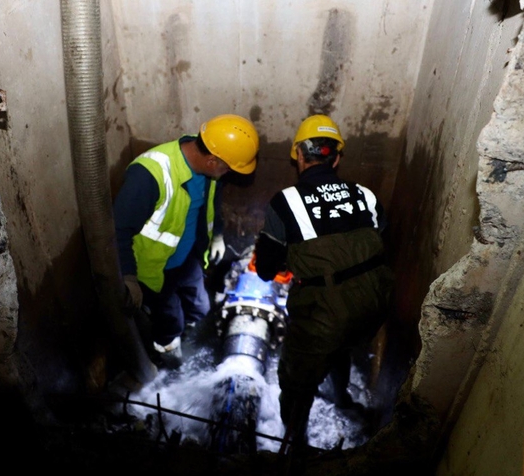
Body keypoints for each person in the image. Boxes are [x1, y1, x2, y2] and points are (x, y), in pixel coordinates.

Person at [252, 114, 394, 450]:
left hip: (325, 312)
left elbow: (265, 270)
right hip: (375, 301)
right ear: (337, 157)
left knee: (296, 377)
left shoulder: (285, 202)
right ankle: (340, 395)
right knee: (342, 345)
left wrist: (292, 262)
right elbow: (378, 240)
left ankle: (295, 440)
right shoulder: (367, 195)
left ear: (299, 155)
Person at [114, 114, 260, 367]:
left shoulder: (208, 167)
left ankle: (188, 334)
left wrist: (217, 236)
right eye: (227, 168)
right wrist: (128, 276)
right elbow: (118, 230)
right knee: (171, 322)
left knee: (201, 308)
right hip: (154, 271)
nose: (227, 174)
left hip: (188, 258)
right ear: (213, 160)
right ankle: (168, 356)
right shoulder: (150, 174)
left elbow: (211, 203)